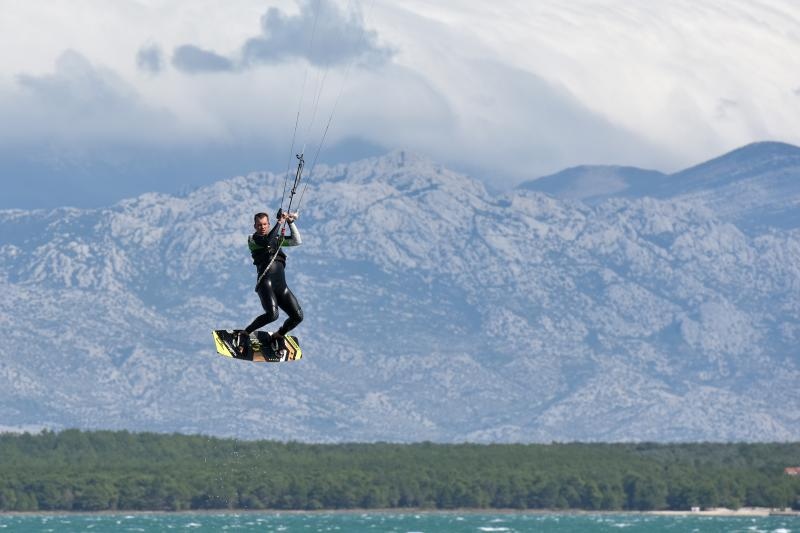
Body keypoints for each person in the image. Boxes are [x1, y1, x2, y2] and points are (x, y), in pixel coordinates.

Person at [240, 209, 304, 347]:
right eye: (259, 225)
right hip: (265, 283)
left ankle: (279, 335)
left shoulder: (276, 239)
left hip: (281, 286)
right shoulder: (253, 239)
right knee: (272, 315)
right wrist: (280, 222)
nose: (262, 227)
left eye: (264, 224)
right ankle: (245, 333)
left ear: (268, 224)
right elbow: (268, 242)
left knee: (297, 317)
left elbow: (296, 241)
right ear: (254, 226)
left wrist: (290, 222)